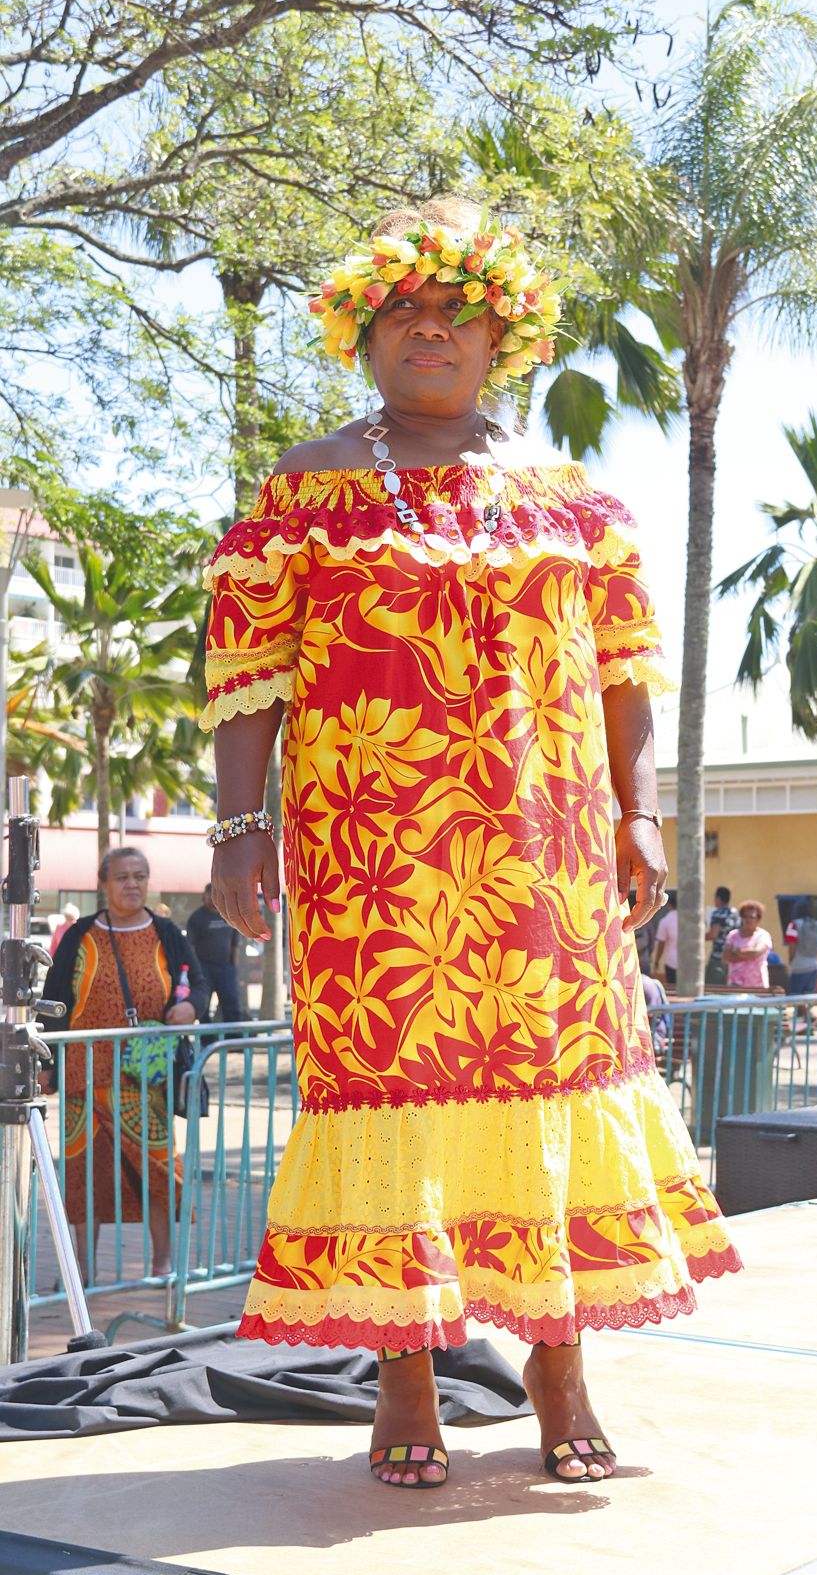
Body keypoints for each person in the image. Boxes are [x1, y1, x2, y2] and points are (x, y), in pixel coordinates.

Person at [200, 199, 740, 1491]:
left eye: (453, 316)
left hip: (542, 854)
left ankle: (557, 1361)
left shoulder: (571, 500)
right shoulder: (306, 487)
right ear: (364, 337)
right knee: (388, 1091)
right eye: (400, 314)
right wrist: (236, 828)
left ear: (503, 335)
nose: (427, 333)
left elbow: (621, 670)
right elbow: (246, 668)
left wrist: (639, 806)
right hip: (370, 860)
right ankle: (406, 1373)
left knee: (555, 1079)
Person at [41, 847, 209, 1280]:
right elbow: (55, 998)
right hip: (84, 1068)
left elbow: (198, 983)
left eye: (140, 875)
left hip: (145, 1071)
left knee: (156, 1165)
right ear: (103, 883)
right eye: (122, 877)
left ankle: (161, 1264)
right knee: (84, 1172)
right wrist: (45, 1063)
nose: (132, 884)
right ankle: (83, 1271)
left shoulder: (168, 932)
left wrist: (190, 1010)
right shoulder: (80, 934)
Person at [187, 883, 244, 1025]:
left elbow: (235, 944)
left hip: (226, 967)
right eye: (210, 894)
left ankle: (233, 1043)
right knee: (203, 1007)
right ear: (204, 896)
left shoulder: (229, 915)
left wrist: (233, 967)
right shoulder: (197, 917)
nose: (213, 898)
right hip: (204, 968)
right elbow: (190, 946)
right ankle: (208, 1042)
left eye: (216, 895)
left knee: (232, 1005)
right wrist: (195, 970)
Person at [784, 899, 817, 997]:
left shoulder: (793, 925)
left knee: (795, 996)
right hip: (814, 966)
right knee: (808, 995)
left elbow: (792, 946)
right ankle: (807, 1012)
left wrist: (791, 961)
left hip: (799, 966)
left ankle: (804, 1013)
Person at [722, 900, 773, 991]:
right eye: (745, 917)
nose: (748, 920)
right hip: (735, 985)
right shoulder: (733, 935)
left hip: (757, 986)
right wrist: (748, 955)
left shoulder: (763, 936)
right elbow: (726, 956)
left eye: (751, 917)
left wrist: (736, 950)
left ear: (758, 918)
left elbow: (756, 953)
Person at [704, 885, 738, 986]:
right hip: (733, 956)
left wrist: (699, 937)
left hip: (718, 957)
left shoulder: (718, 913)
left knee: (713, 987)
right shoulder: (735, 913)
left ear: (718, 898)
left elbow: (713, 934)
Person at [651, 889, 679, 989]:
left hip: (671, 962)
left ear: (669, 905)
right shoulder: (689, 920)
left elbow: (661, 944)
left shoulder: (665, 921)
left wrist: (656, 961)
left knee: (673, 989)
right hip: (687, 962)